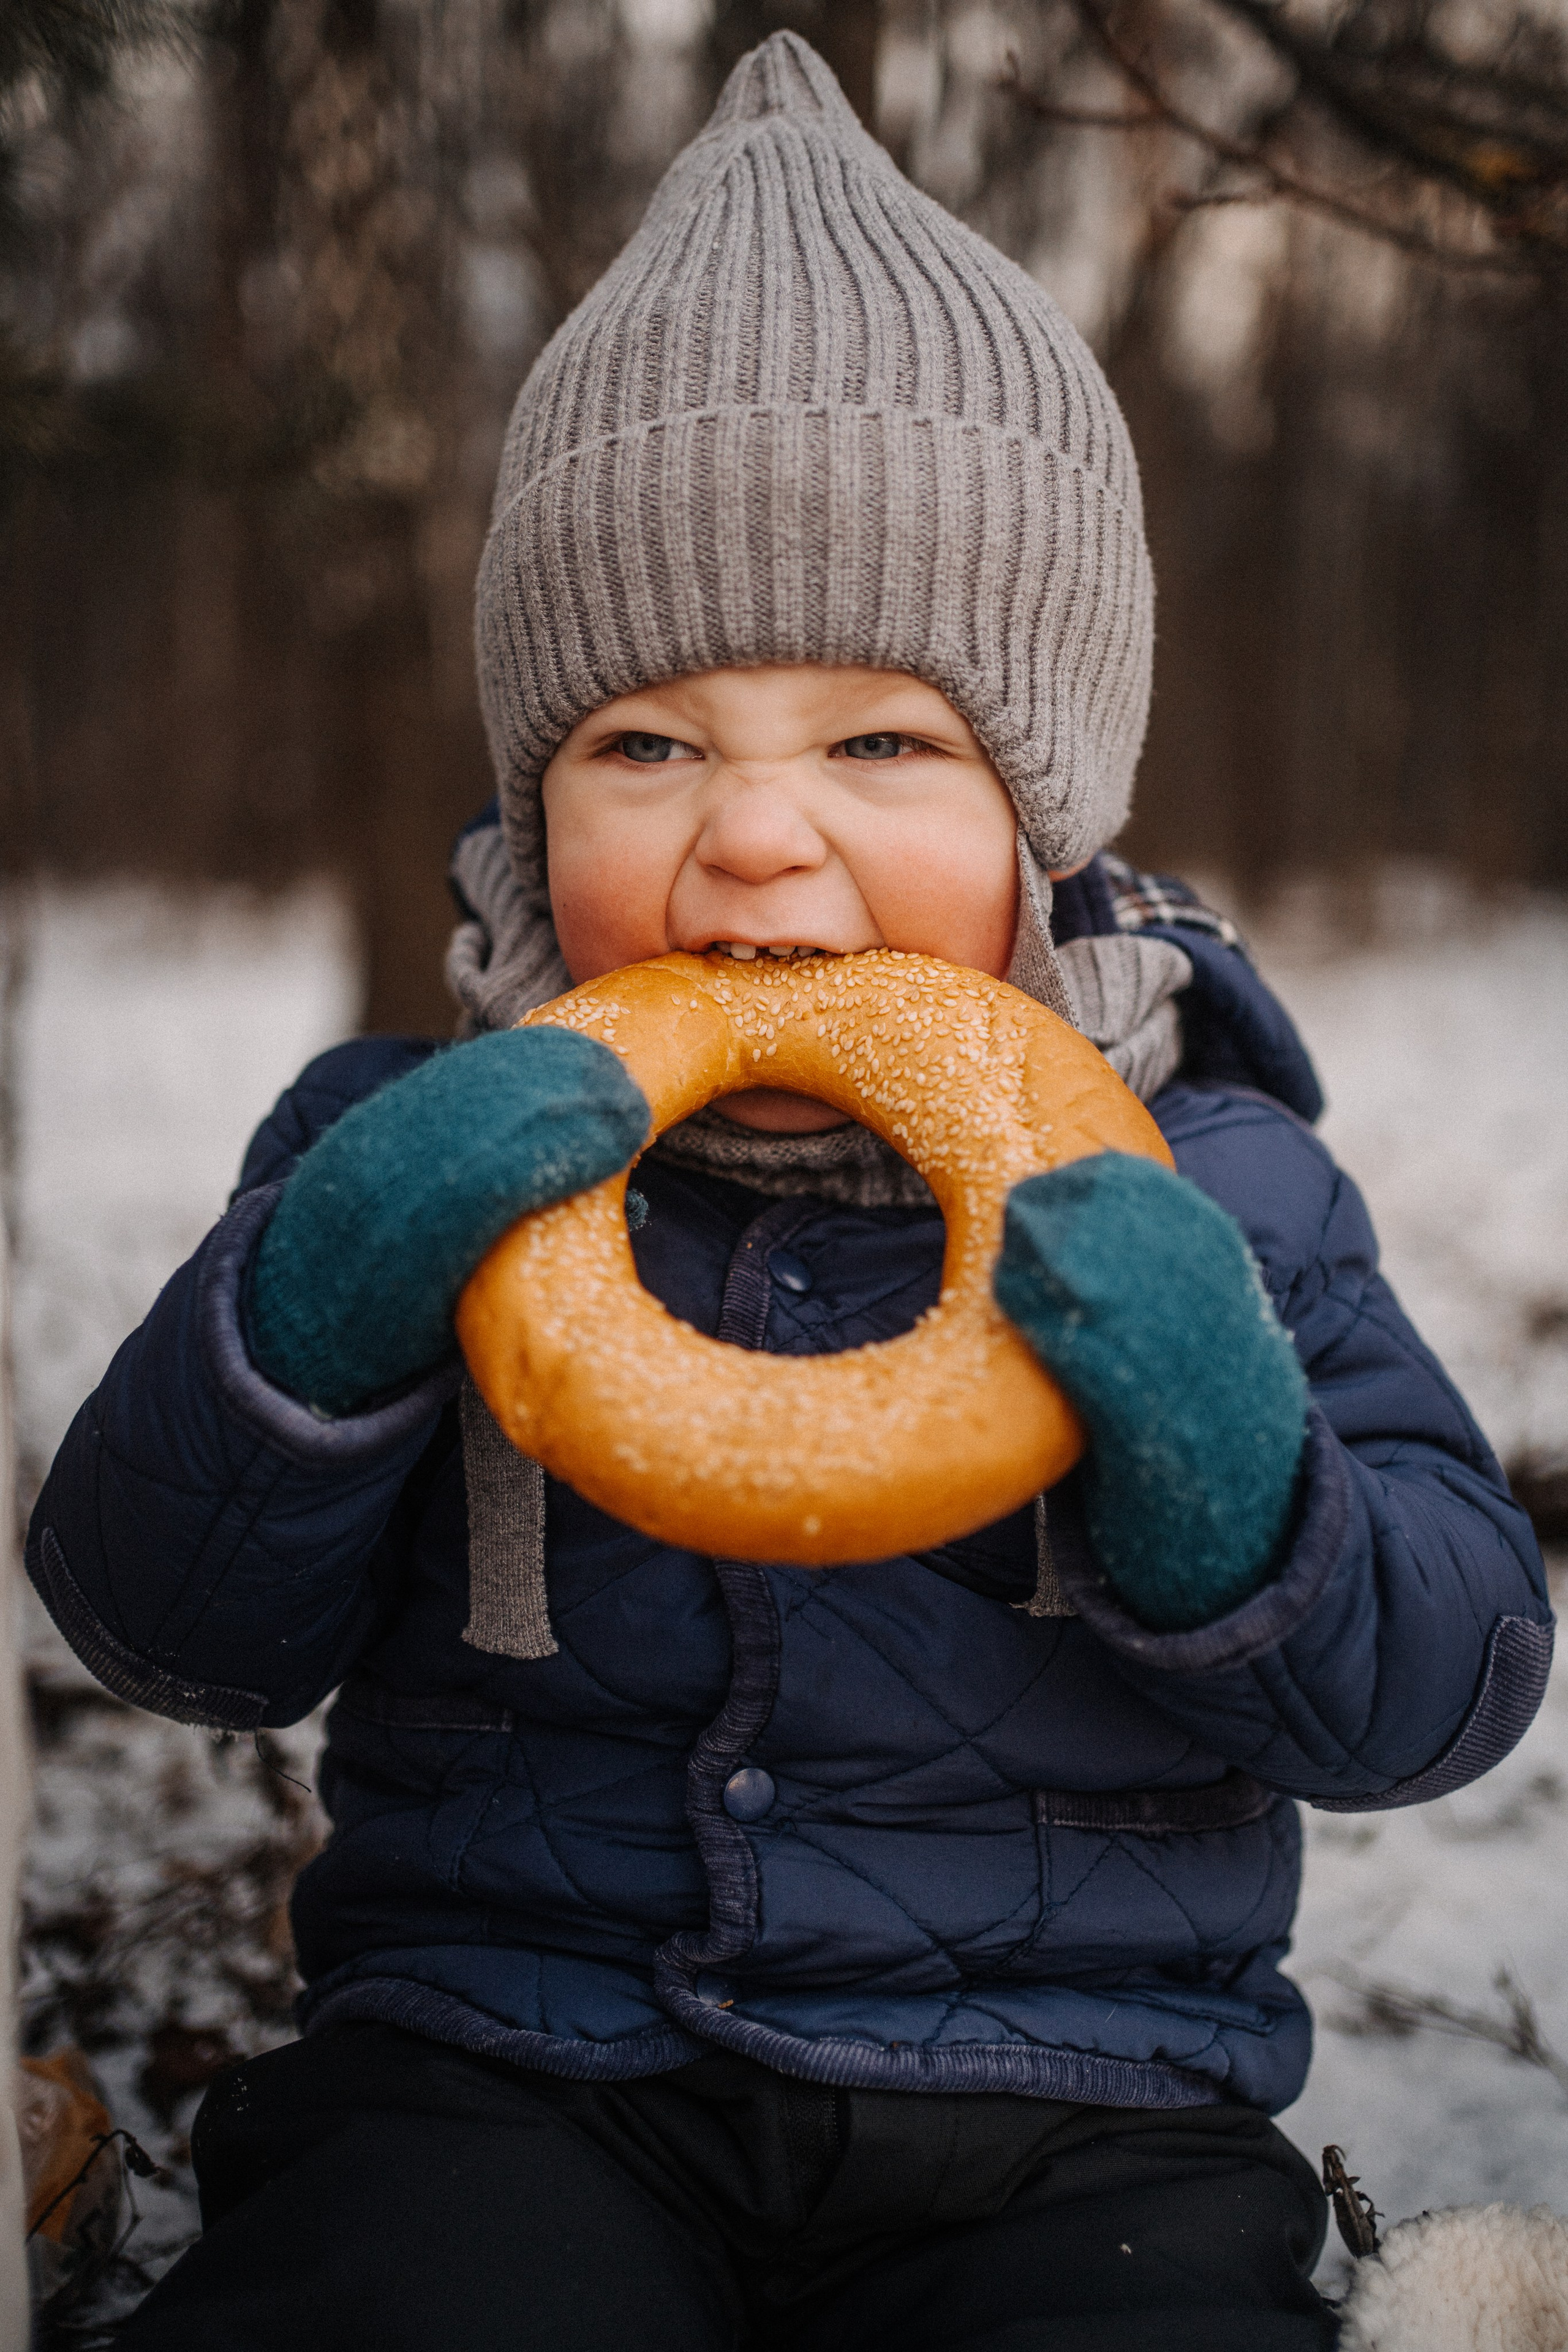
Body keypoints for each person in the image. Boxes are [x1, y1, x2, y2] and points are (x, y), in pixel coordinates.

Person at [28, 34, 1549, 2351]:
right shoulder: (409, 1147)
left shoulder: (1213, 1187)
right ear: (536, 797)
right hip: (503, 2074)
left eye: (881, 743)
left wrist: (1237, 1469)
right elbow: (156, 1628)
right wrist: (308, 1311)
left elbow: (1444, 1690)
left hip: (1086, 2111)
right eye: (644, 742)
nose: (754, 838)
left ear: (1045, 810)